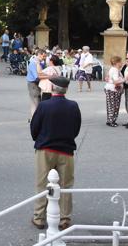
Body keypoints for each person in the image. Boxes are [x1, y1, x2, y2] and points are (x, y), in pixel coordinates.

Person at [30, 76, 81, 231]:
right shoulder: (73, 106)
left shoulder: (44, 106)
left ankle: (39, 217)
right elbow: (76, 128)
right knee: (65, 185)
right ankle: (64, 218)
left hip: (45, 149)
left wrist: (40, 139)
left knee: (42, 184)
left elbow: (34, 128)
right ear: (65, 89)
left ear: (52, 88)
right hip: (66, 150)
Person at [26, 49, 47, 119]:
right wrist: (48, 77)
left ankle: (33, 118)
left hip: (34, 83)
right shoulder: (34, 63)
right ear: (39, 55)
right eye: (44, 56)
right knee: (36, 102)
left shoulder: (37, 62)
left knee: (34, 102)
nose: (44, 58)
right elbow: (37, 76)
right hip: (33, 84)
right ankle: (36, 119)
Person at [104, 56, 125, 127]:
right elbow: (116, 82)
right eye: (121, 62)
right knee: (113, 106)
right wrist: (125, 79)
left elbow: (108, 78)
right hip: (113, 90)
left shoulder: (114, 69)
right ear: (117, 63)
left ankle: (110, 120)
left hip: (112, 89)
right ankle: (111, 121)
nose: (122, 63)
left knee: (111, 105)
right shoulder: (115, 70)